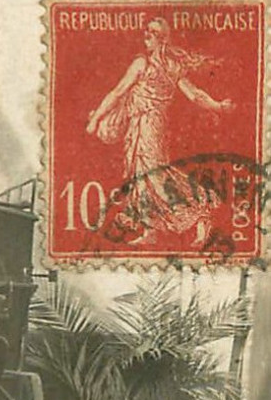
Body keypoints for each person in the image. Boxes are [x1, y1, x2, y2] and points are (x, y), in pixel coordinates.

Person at [85, 16, 234, 238]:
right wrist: (97, 117)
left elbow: (194, 94)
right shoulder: (148, 63)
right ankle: (150, 230)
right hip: (139, 125)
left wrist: (218, 106)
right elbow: (118, 92)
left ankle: (199, 213)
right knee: (140, 176)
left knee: (154, 177)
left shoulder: (158, 65)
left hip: (150, 125)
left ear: (163, 40)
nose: (146, 35)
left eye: (153, 32)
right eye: (146, 30)